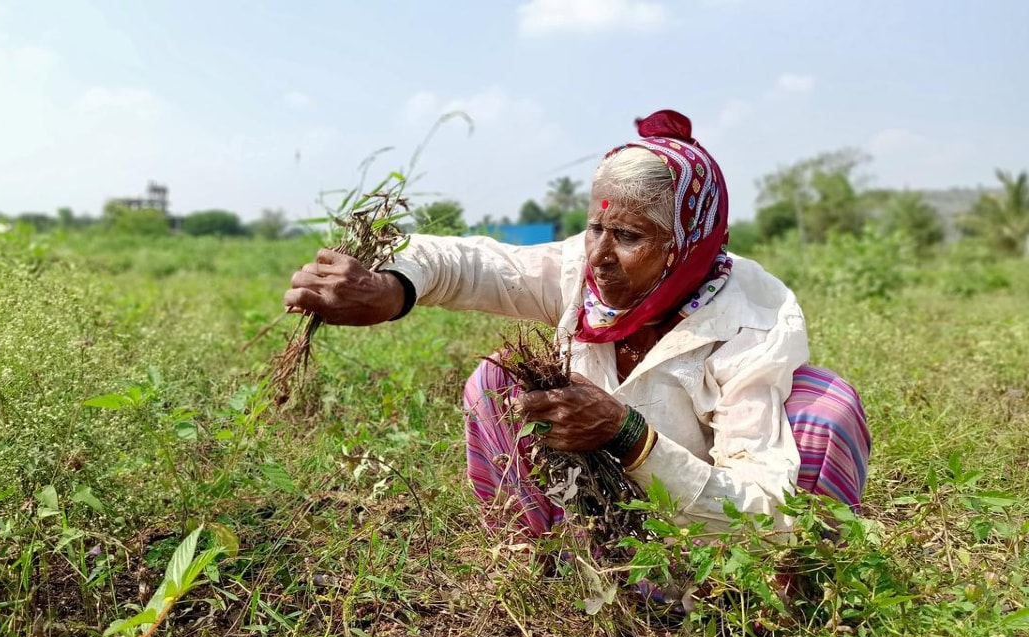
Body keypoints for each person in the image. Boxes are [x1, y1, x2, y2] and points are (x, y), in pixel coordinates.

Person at [284, 110, 870, 539]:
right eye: (596, 228)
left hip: (710, 533)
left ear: (687, 244)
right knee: (495, 383)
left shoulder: (750, 321)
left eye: (630, 236)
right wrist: (390, 289)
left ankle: (772, 607)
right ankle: (546, 560)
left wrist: (628, 436)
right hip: (599, 505)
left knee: (824, 407)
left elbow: (765, 508)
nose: (598, 255)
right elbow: (467, 262)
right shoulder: (584, 275)